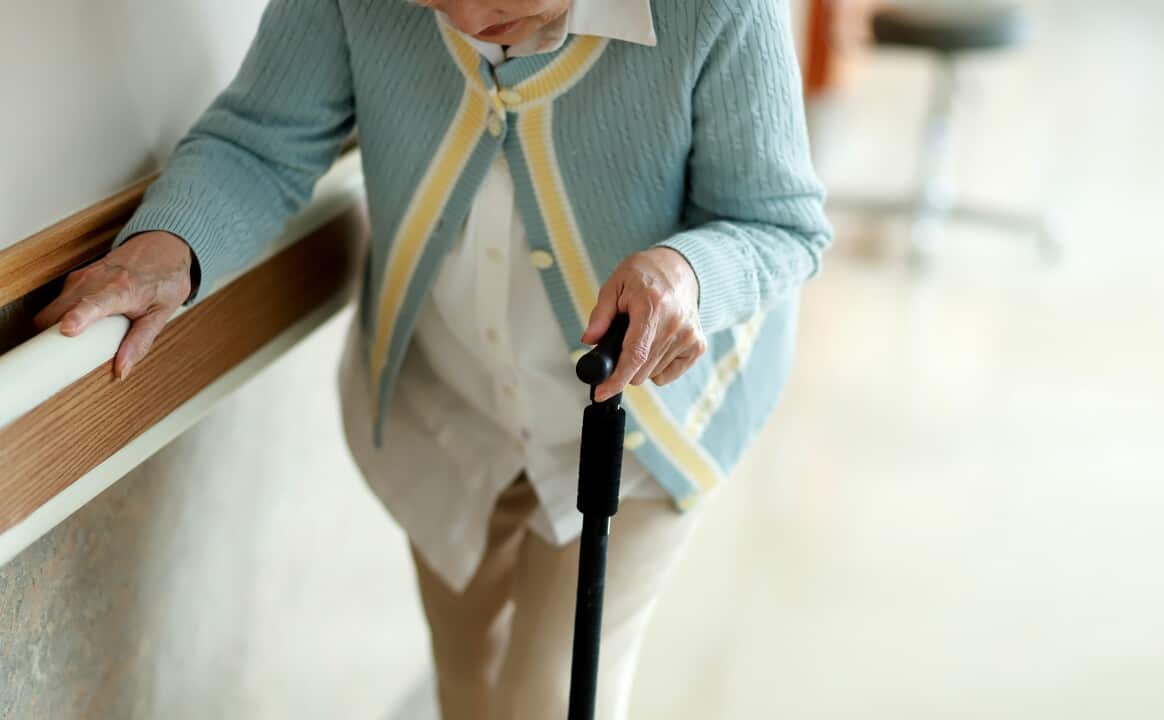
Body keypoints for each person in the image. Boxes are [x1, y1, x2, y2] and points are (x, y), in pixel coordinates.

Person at [35, 0, 832, 717]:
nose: (467, 20)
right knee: (469, 689)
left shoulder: (719, 11)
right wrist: (167, 248)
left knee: (546, 698)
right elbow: (260, 140)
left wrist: (685, 273)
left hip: (635, 437)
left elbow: (778, 224)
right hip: (448, 414)